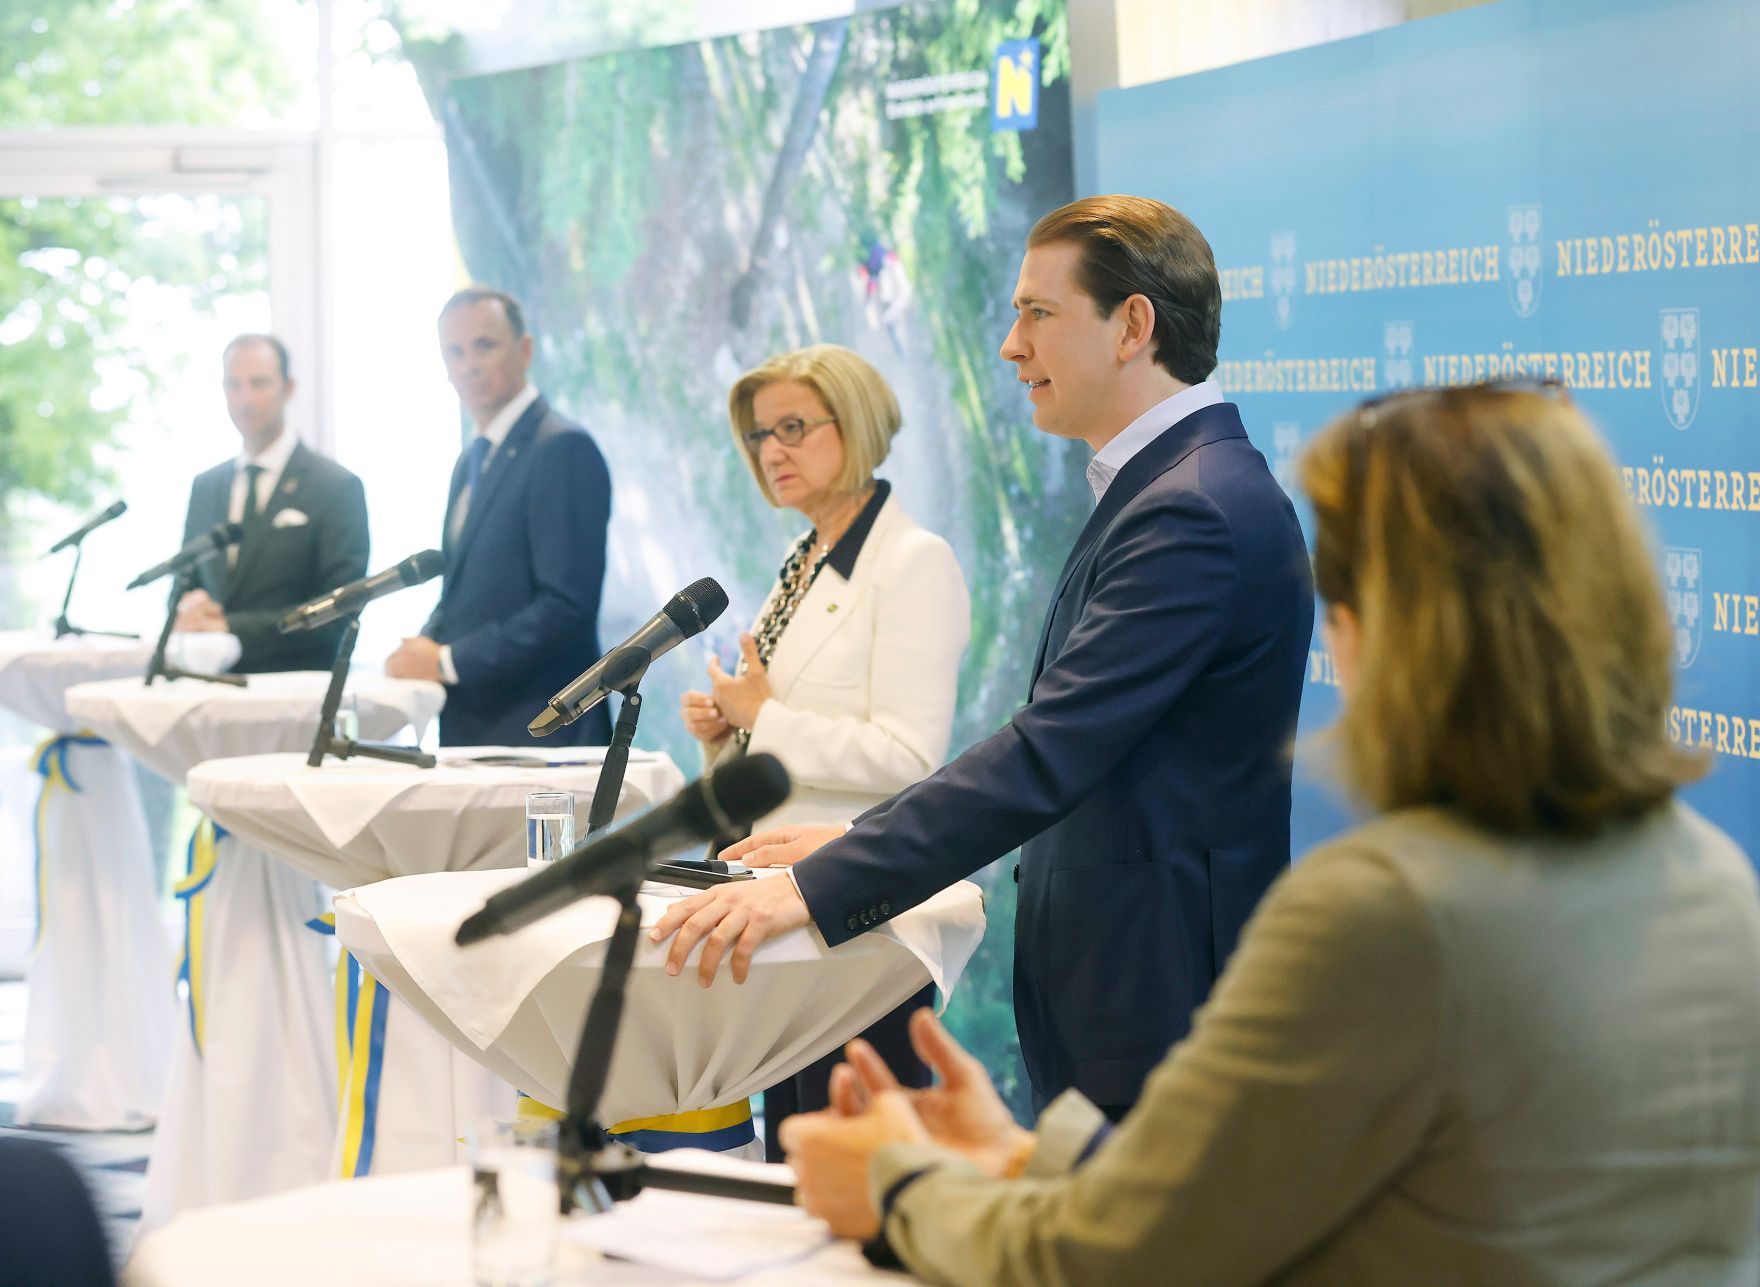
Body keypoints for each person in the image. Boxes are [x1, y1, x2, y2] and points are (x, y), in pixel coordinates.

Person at [778, 382, 1760, 1285]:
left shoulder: (1386, 908)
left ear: (1386, 628)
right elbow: (1282, 1196)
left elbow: (1120, 1260)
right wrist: (1020, 1158)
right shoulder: (1709, 877)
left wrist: (901, 1186)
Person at [652, 195, 1314, 1119]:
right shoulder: (1168, 489)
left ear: (1133, 326)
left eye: (1037, 313)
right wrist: (850, 837)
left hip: (1160, 993)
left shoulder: (1190, 507)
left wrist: (818, 884)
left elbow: (1048, 751)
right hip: (1127, 982)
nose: (1010, 346)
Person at [679, 343, 971, 1158]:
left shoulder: (913, 561)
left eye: (794, 428)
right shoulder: (803, 558)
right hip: (786, 914)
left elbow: (909, 756)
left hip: (864, 915)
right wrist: (729, 732)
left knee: (860, 1165)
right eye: (759, 434)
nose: (772, 451)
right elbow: (786, 716)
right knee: (795, 1160)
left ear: (857, 424)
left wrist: (764, 718)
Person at [386, 286, 612, 746]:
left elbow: (566, 607)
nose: (469, 364)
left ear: (524, 350)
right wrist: (421, 649)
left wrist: (447, 661)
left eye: (484, 345)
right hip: (474, 730)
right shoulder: (469, 460)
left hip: (544, 733)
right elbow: (463, 594)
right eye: (454, 352)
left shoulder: (562, 448)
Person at [174, 333, 369, 673]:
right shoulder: (205, 487)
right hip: (209, 687)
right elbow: (183, 585)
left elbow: (338, 610)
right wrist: (190, 608)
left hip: (296, 687)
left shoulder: (336, 487)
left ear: (288, 388)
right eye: (233, 385)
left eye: (259, 383)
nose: (245, 399)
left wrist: (230, 627)